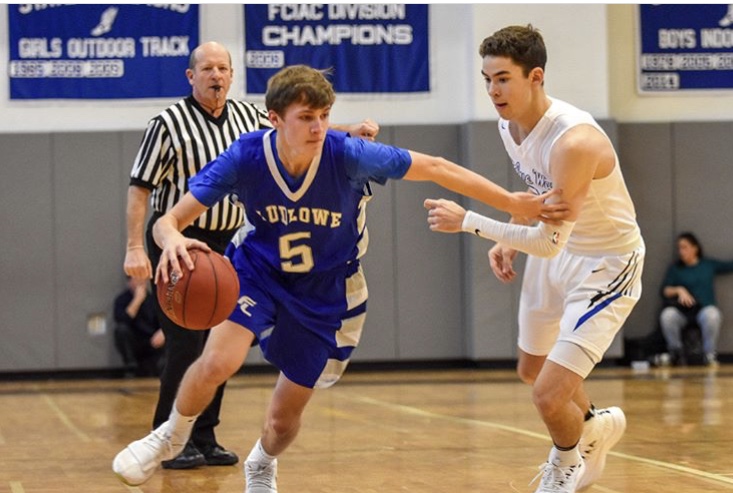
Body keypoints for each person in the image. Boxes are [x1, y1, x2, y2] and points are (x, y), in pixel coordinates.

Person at [112, 63, 568, 491]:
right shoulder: (245, 156)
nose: (318, 128)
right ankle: (169, 436)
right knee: (216, 362)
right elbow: (166, 220)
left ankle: (262, 461)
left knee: (282, 420)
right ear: (274, 118)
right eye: (306, 117)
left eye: (324, 116)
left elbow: (436, 167)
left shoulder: (348, 155)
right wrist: (170, 238)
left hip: (325, 290)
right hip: (258, 272)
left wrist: (511, 202)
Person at [123, 41, 381, 471]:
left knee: (225, 350)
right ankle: (169, 436)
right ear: (192, 76)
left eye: (223, 67)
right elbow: (141, 190)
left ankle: (204, 436)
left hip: (239, 242)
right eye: (207, 68)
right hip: (184, 244)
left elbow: (304, 130)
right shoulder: (167, 123)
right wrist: (136, 247)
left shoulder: (249, 115)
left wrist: (348, 130)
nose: (217, 75)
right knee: (191, 344)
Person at [424, 25, 645, 493]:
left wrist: (470, 221)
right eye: (487, 79)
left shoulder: (574, 141)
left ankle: (566, 465)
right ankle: (594, 424)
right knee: (531, 368)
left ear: (536, 77)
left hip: (606, 262)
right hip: (559, 249)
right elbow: (542, 201)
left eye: (503, 78)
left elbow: (547, 242)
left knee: (547, 395)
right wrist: (515, 234)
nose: (492, 90)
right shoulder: (510, 124)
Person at [659, 232, 733, 367]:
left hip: (703, 310)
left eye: (684, 247)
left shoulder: (707, 265)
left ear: (695, 248)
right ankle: (676, 352)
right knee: (667, 315)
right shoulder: (676, 268)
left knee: (712, 314)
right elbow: (665, 290)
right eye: (679, 248)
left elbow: (729, 265)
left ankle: (709, 354)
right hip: (682, 312)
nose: (681, 251)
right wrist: (679, 290)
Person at [113, 276, 164, 377]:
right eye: (137, 279)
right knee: (121, 330)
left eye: (143, 280)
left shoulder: (153, 299)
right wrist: (137, 300)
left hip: (151, 341)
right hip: (134, 341)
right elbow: (122, 320)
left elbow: (163, 321)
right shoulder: (122, 299)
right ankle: (131, 366)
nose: (141, 283)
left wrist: (162, 332)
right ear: (129, 281)